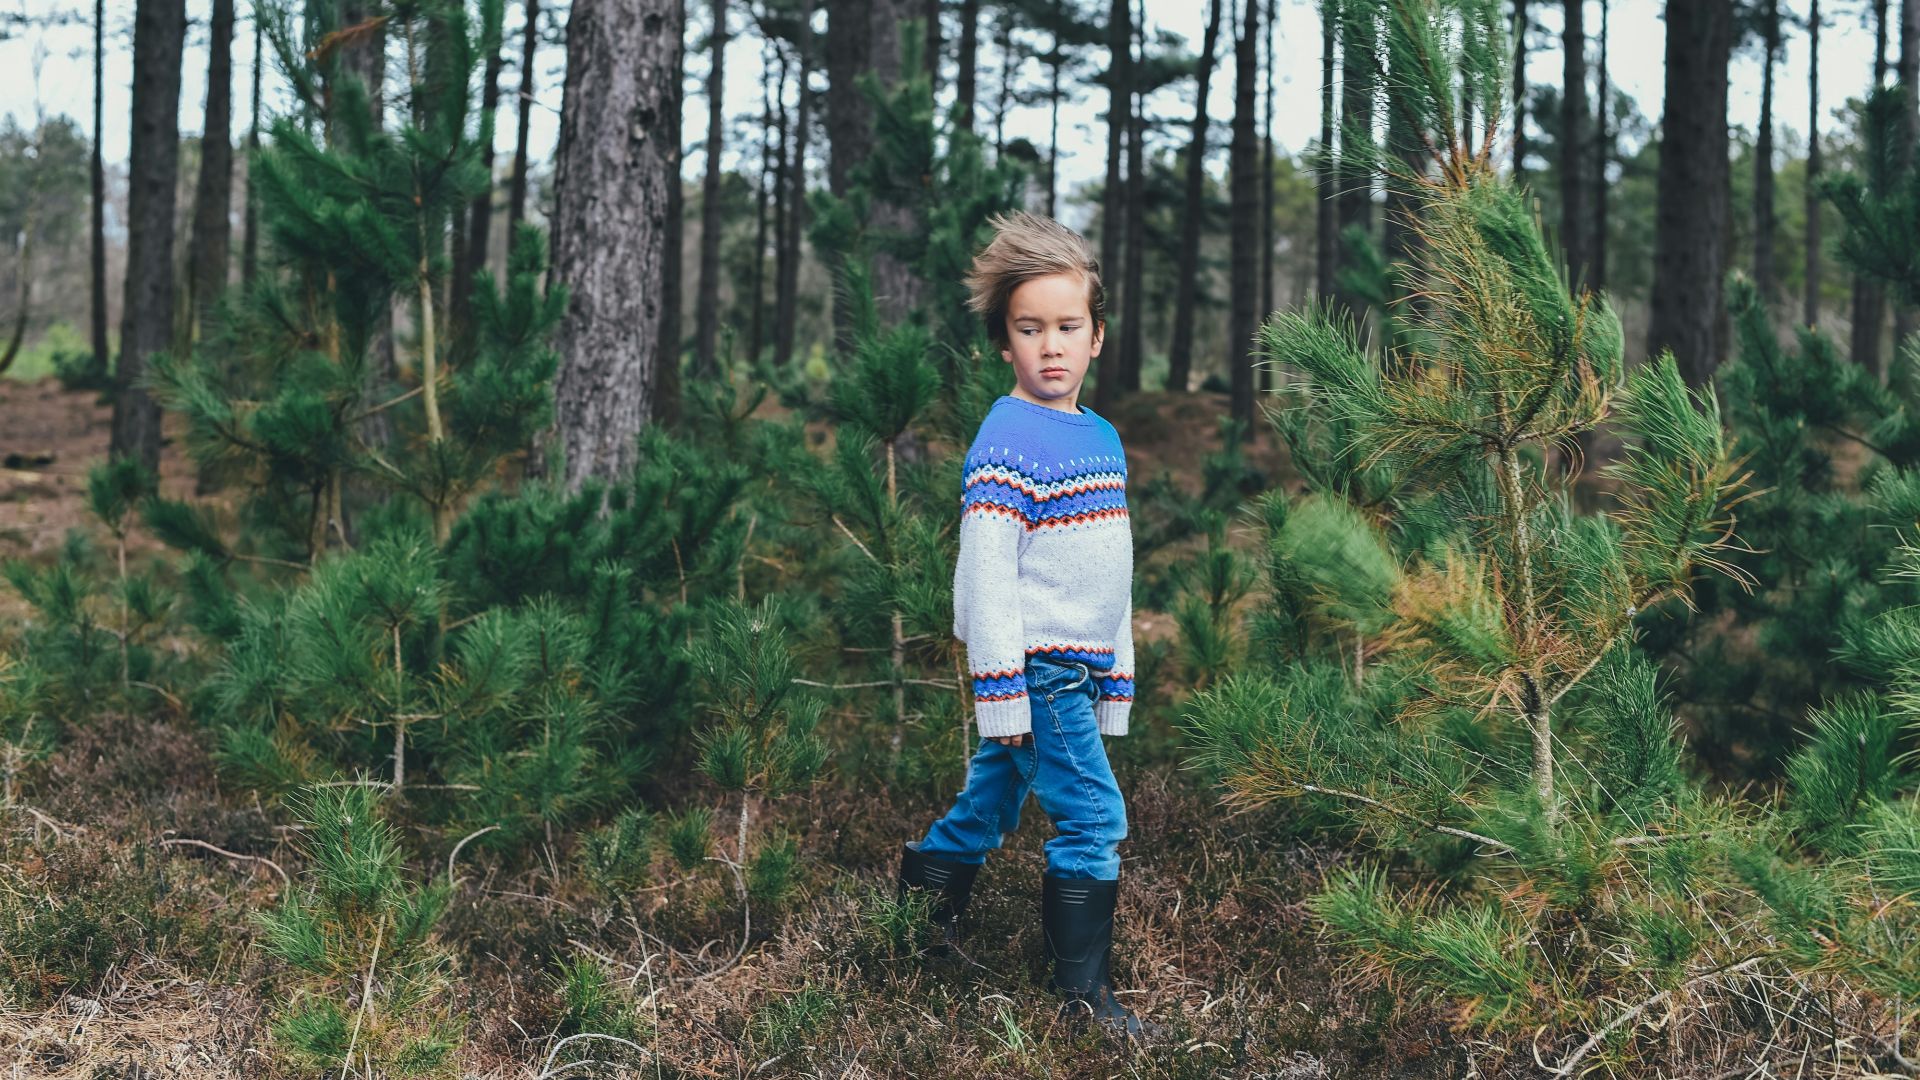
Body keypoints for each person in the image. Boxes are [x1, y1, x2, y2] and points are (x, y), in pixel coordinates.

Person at [897, 210, 1145, 1037]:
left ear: (1097, 336)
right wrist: (1002, 692)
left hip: (1075, 664)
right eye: (1029, 329)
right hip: (1036, 670)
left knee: (989, 803)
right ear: (1004, 342)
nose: (1050, 346)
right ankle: (1083, 1001)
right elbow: (987, 575)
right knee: (1094, 818)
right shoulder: (1007, 437)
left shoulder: (1100, 436)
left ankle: (914, 931)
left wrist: (1117, 676)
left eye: (1067, 327)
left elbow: (1111, 568)